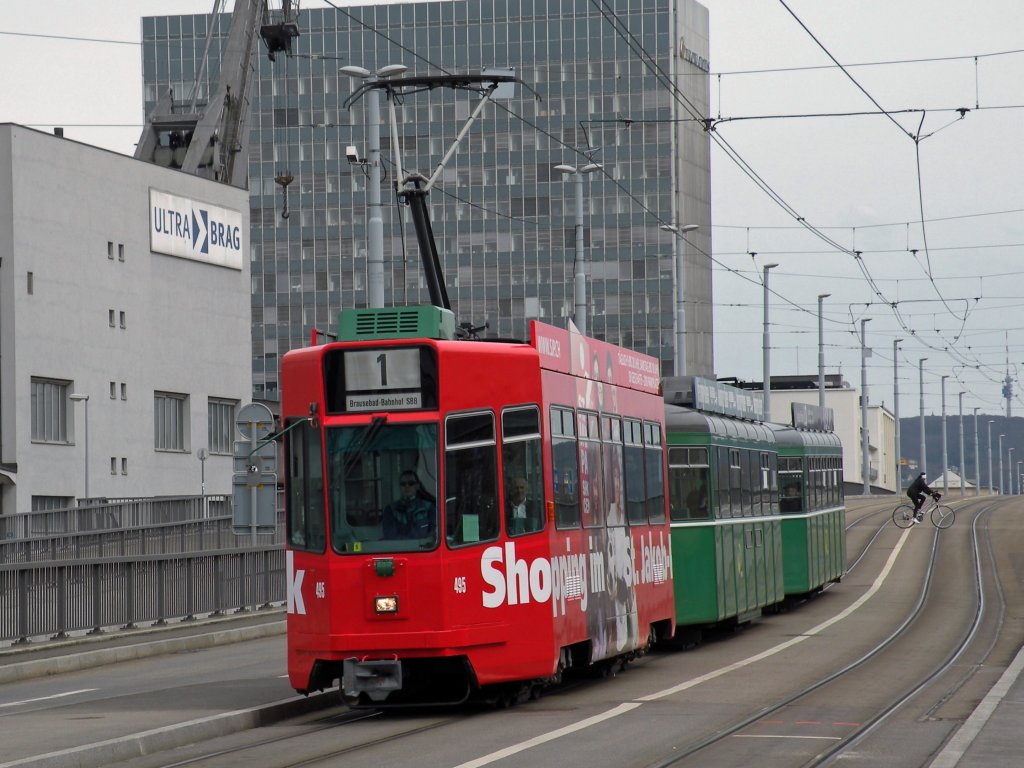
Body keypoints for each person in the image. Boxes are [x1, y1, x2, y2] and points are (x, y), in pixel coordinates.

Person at [383, 471, 434, 539]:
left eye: (411, 483)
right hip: (400, 548)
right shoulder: (390, 509)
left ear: (417, 486)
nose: (407, 486)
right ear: (400, 487)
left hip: (423, 548)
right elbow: (389, 535)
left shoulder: (428, 507)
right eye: (403, 484)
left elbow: (433, 532)